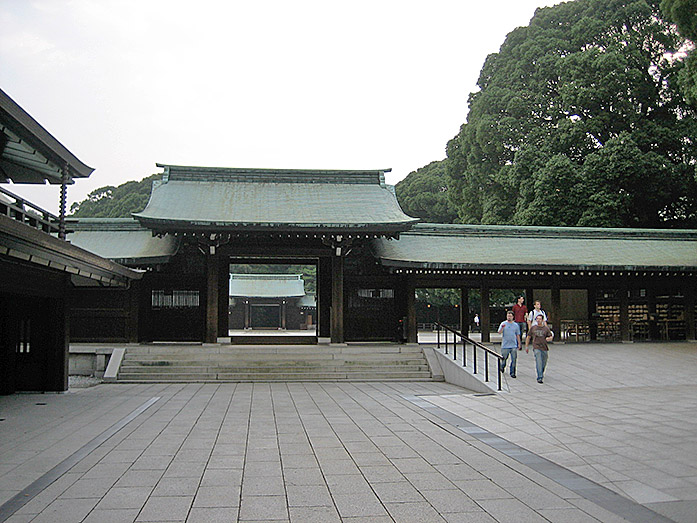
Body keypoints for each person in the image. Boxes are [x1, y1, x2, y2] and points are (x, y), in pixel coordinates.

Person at [525, 314, 554, 383]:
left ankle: (541, 371)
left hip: (544, 347)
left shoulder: (545, 328)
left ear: (542, 320)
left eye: (540, 319)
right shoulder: (533, 328)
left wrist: (549, 338)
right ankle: (539, 377)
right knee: (538, 361)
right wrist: (526, 346)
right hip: (536, 346)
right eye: (537, 319)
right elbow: (528, 337)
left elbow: (550, 336)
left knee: (544, 362)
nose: (538, 320)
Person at [498, 311, 521, 378]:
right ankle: (502, 366)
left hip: (513, 344)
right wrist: (502, 327)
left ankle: (512, 372)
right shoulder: (503, 323)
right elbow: (499, 332)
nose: (509, 317)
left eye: (510, 316)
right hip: (505, 345)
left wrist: (519, 344)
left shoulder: (516, 325)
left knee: (514, 359)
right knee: (504, 358)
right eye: (508, 316)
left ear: (513, 317)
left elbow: (517, 335)